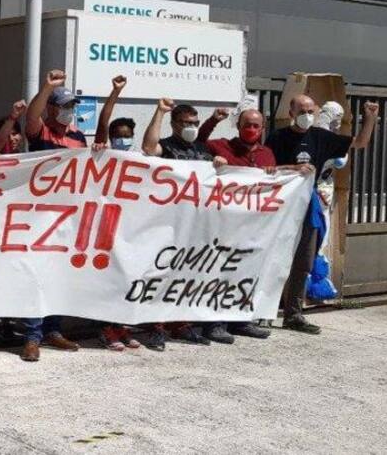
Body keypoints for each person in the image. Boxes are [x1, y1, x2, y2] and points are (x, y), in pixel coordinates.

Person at [265, 94, 378, 334]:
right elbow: (266, 170)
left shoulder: (321, 137)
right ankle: (264, 311)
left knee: (303, 262)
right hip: (280, 208)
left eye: (310, 110)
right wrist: (292, 169)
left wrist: (370, 119)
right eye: (301, 110)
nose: (306, 115)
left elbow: (359, 143)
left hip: (308, 208)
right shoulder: (277, 137)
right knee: (273, 260)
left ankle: (294, 314)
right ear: (291, 112)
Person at [201, 107, 298, 341]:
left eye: (256, 125)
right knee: (221, 272)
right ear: (238, 126)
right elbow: (199, 140)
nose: (251, 129)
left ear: (262, 128)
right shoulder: (221, 146)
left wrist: (290, 171)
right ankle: (215, 323)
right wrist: (213, 121)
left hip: (255, 227)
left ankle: (241, 320)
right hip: (225, 224)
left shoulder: (267, 153)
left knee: (248, 270)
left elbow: (275, 182)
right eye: (247, 125)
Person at [140, 98, 219, 346]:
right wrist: (160, 112)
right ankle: (157, 326)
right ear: (174, 124)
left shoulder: (203, 151)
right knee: (161, 273)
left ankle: (180, 323)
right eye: (186, 123)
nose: (191, 127)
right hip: (167, 223)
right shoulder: (166, 146)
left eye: (195, 122)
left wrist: (219, 167)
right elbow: (148, 146)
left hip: (196, 224)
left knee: (188, 274)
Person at [18, 70, 85, 361]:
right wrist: (47, 87)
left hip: (66, 216)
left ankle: (53, 329)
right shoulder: (41, 131)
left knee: (59, 274)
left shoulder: (79, 138)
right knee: (36, 275)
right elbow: (31, 117)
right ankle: (32, 336)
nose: (69, 111)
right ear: (52, 109)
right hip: (38, 214)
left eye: (72, 106)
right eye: (64, 106)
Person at [89, 77, 143, 352]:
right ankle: (105, 329)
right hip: (106, 225)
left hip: (131, 227)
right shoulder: (106, 152)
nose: (123, 139)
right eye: (118, 134)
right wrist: (115, 92)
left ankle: (123, 326)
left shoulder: (140, 159)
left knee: (127, 277)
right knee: (107, 278)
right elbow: (103, 122)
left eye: (127, 135)